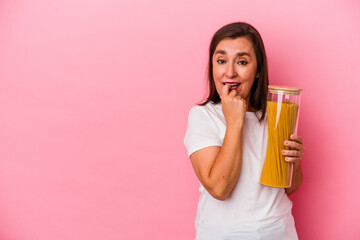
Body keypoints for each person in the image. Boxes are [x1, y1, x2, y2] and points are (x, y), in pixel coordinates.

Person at [184, 22, 305, 240]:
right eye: (221, 61)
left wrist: (294, 162)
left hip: (279, 232)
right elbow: (219, 189)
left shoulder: (275, 114)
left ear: (258, 70)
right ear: (212, 67)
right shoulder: (202, 116)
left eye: (242, 62)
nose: (229, 72)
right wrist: (234, 121)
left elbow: (289, 187)